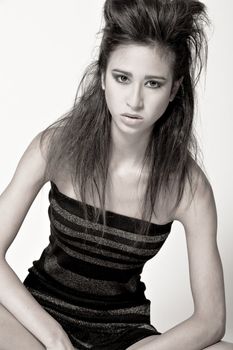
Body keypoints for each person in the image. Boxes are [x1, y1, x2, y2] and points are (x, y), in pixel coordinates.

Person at [0, 0, 232, 349]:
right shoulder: (56, 147)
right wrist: (53, 338)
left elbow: (211, 320)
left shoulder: (189, 188)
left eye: (153, 84)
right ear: (103, 76)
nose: (134, 101)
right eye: (123, 78)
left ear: (174, 89)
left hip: (123, 336)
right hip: (37, 322)